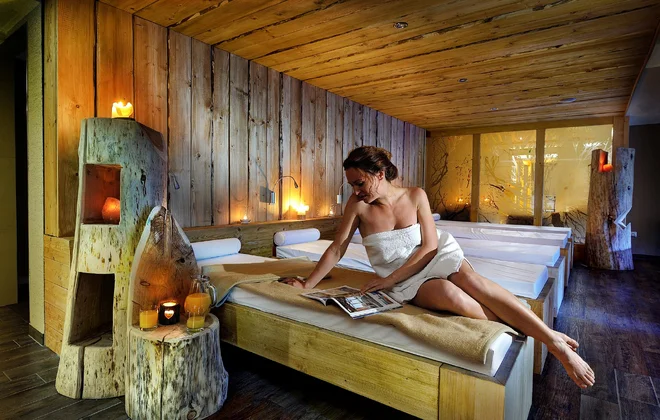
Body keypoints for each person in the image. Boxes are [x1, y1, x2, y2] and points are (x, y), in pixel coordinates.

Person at [283, 146, 594, 389]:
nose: (356, 191)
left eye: (360, 183)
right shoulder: (358, 207)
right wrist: (308, 284)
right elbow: (337, 248)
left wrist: (388, 279)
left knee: (474, 283)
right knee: (451, 296)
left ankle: (554, 344)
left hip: (433, 255)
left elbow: (430, 246)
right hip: (405, 281)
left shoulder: (415, 195)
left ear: (380, 173)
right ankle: (538, 328)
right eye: (352, 185)